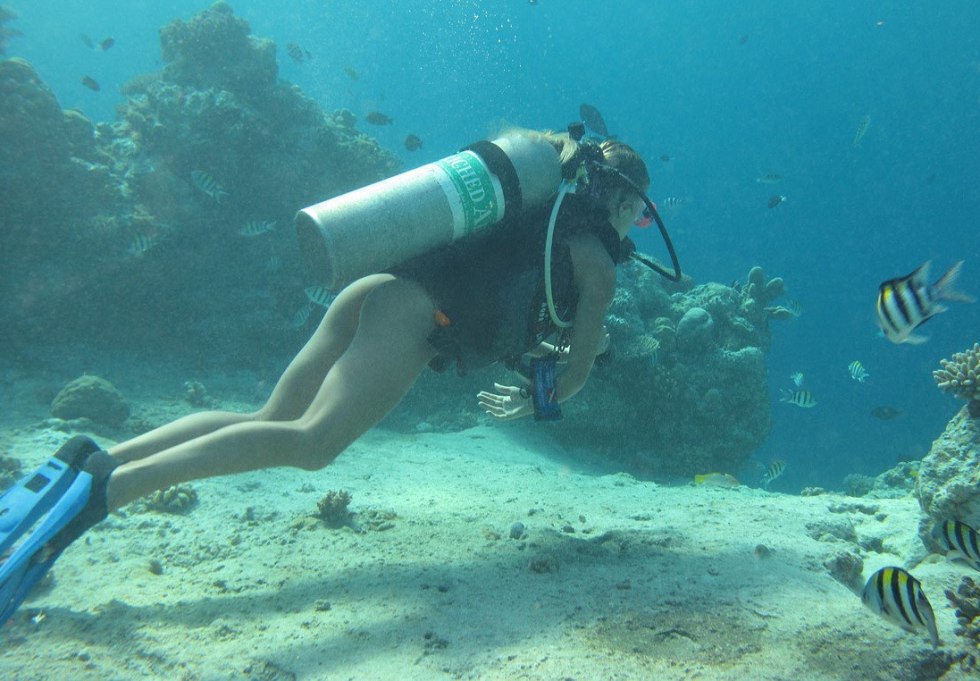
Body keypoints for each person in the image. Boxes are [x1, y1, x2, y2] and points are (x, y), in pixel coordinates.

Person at [0, 130, 657, 624]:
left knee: (270, 417)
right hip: (417, 316)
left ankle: (92, 459)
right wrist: (549, 393)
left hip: (377, 286)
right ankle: (103, 494)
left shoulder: (540, 205)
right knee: (313, 442)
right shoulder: (596, 258)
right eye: (642, 215)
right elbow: (577, 361)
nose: (638, 227)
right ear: (626, 202)